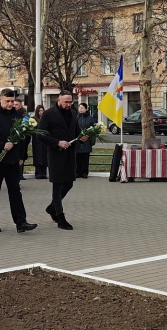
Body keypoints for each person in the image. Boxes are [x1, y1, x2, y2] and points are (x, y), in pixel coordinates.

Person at [0, 89, 38, 233]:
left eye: (12, 101)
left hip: (13, 160)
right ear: (0, 99)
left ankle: (21, 222)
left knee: (15, 190)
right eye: (7, 101)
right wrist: (2, 145)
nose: (10, 104)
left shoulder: (17, 115)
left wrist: (21, 156)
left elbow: (22, 138)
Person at [37, 90, 88, 230]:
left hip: (70, 153)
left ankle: (52, 208)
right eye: (66, 102)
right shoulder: (48, 114)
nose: (68, 104)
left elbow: (75, 131)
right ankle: (60, 216)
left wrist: (82, 137)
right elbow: (40, 134)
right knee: (57, 185)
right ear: (58, 100)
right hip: (56, 153)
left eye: (70, 102)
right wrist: (57, 142)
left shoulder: (72, 113)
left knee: (69, 183)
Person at [76, 103, 97, 178]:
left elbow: (94, 129)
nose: (81, 109)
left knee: (85, 158)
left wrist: (91, 139)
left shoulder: (90, 118)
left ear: (86, 109)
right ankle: (77, 172)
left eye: (82, 108)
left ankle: (84, 173)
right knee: (77, 158)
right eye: (80, 108)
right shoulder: (76, 117)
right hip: (77, 141)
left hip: (87, 141)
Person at [31, 105, 48, 179]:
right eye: (40, 110)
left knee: (44, 156)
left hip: (44, 141)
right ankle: (38, 173)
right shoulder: (33, 119)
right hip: (36, 140)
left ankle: (44, 173)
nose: (41, 112)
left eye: (42, 110)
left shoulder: (46, 119)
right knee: (37, 156)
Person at [13, 98, 28, 181]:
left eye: (16, 105)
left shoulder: (24, 115)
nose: (14, 106)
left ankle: (20, 175)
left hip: (22, 141)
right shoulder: (11, 114)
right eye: (14, 104)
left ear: (21, 105)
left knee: (21, 158)